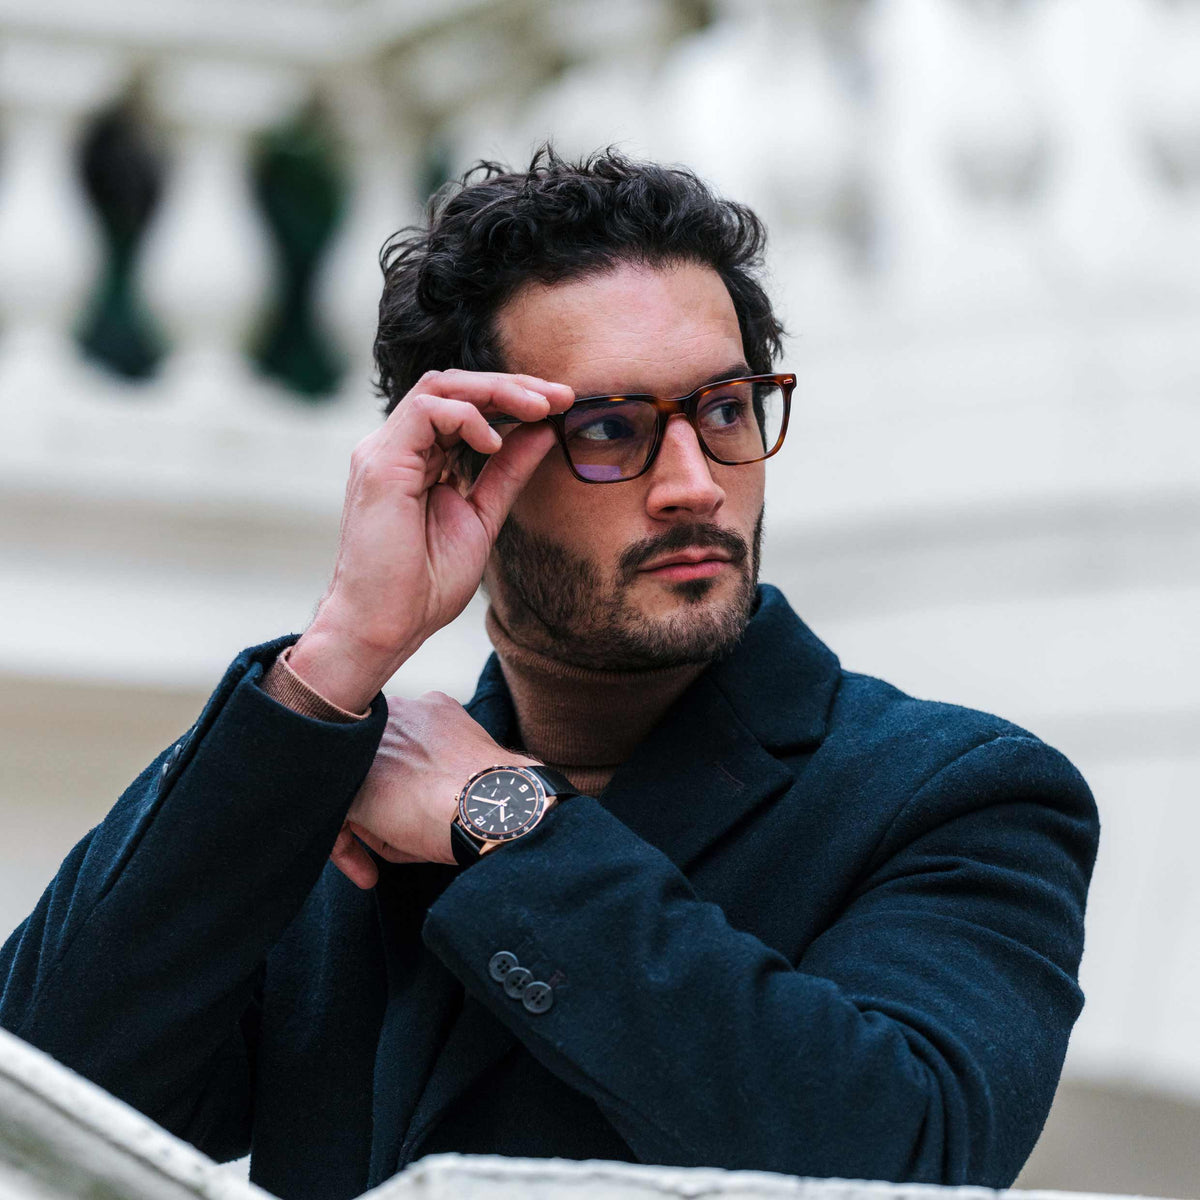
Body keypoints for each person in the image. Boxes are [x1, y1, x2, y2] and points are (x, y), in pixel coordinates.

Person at [0, 147, 1098, 1200]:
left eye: (724, 410)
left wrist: (500, 816)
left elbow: (895, 1159)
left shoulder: (961, 795)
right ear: (466, 465)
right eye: (611, 430)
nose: (693, 485)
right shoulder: (326, 796)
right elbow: (43, 1091)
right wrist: (336, 659)